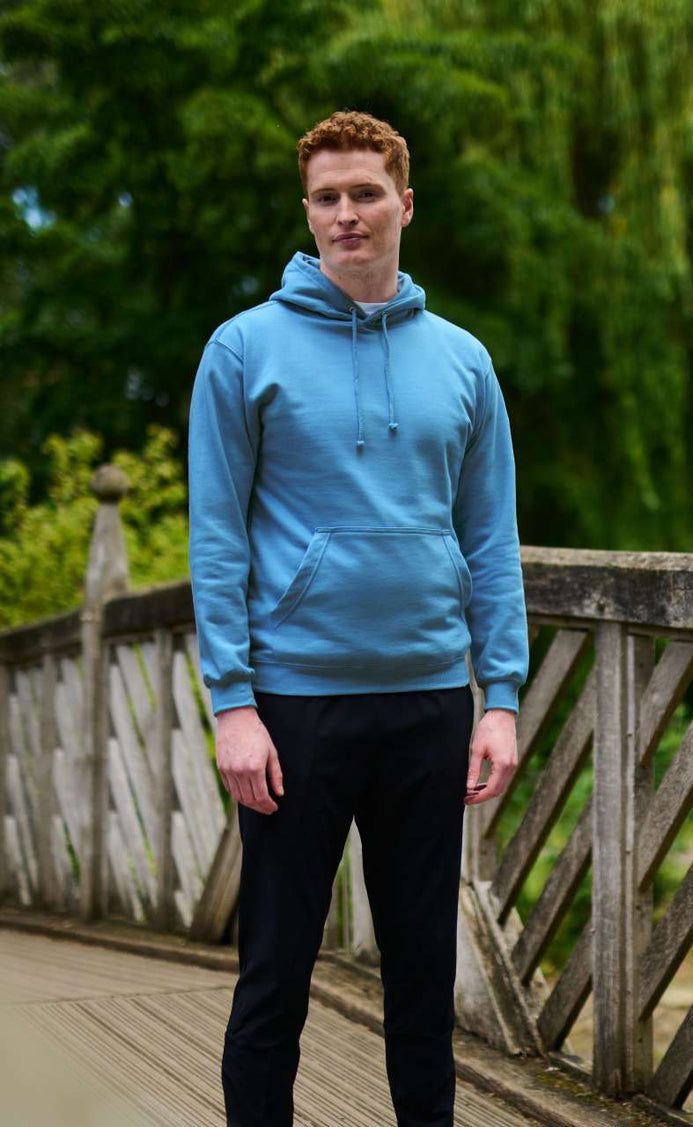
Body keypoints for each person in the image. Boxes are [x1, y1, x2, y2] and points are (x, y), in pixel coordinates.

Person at [187, 109, 529, 1127]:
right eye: (327, 196)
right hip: (294, 708)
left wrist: (500, 696)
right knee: (275, 972)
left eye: (365, 193)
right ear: (307, 211)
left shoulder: (462, 360)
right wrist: (231, 703)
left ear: (404, 205)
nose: (347, 212)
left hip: (428, 702)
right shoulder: (243, 348)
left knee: (423, 975)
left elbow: (490, 536)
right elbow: (216, 537)